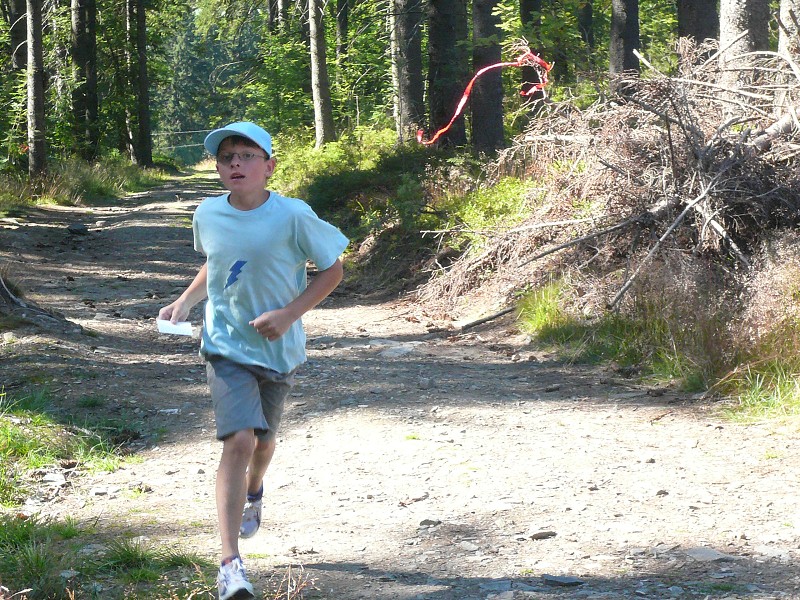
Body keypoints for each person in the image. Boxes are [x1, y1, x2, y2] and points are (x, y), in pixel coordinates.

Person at [158, 121, 348, 600]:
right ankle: (230, 566)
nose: (236, 164)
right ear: (219, 169)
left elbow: (333, 269)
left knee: (263, 442)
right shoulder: (207, 213)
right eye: (227, 158)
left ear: (269, 166)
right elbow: (218, 263)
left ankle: (255, 489)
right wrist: (185, 302)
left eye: (246, 155)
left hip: (278, 349)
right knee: (239, 439)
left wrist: (288, 314)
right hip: (224, 344)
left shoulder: (293, 215)